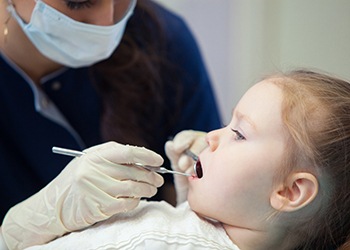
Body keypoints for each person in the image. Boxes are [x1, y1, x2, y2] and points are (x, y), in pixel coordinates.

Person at [19, 70, 350, 249]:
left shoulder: (157, 243)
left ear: (290, 192)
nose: (211, 136)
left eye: (239, 134)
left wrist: (22, 230)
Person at [0, 0, 221, 225]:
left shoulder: (161, 38)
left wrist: (197, 210)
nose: (107, 23)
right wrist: (17, 232)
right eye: (78, 3)